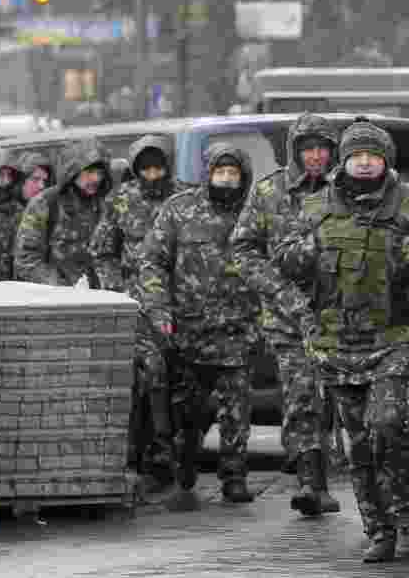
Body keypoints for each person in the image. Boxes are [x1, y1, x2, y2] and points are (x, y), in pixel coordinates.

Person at [273, 118, 409, 562]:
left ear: (386, 162)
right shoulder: (317, 207)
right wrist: (308, 254)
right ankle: (379, 528)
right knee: (356, 445)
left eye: (372, 157)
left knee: (387, 427)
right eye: (356, 157)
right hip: (339, 346)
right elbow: (283, 259)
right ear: (345, 161)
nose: (364, 164)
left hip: (395, 340)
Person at [137, 142, 261, 511]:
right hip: (189, 330)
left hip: (238, 329)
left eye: (233, 174)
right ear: (208, 174)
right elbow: (153, 262)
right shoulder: (180, 210)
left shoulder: (255, 213)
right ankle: (184, 462)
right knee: (188, 409)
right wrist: (159, 309)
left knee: (237, 405)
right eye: (220, 173)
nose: (226, 180)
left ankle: (234, 475)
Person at [230, 113, 342, 517]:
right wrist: (281, 293)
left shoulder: (346, 190)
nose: (315, 157)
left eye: (322, 149)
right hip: (288, 320)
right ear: (295, 151)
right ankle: (312, 480)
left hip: (342, 316)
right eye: (308, 149)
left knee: (346, 398)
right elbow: (244, 250)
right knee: (302, 393)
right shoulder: (269, 192)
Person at [90, 134, 187, 492]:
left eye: (157, 166)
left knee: (184, 381)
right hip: (137, 305)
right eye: (144, 167)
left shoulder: (183, 199)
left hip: (183, 301)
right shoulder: (121, 202)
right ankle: (154, 450)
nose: (152, 174)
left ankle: (181, 451)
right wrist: (118, 289)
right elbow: (102, 250)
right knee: (151, 372)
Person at [14, 138, 111, 287]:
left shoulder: (104, 205)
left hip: (98, 296)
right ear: (73, 172)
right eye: (90, 172)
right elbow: (26, 259)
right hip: (55, 298)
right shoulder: (46, 203)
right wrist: (61, 286)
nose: (96, 179)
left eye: (100, 173)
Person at [0, 148, 25, 285]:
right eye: (1, 175)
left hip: (8, 288)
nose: (6, 180)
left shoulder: (18, 210)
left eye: (9, 175)